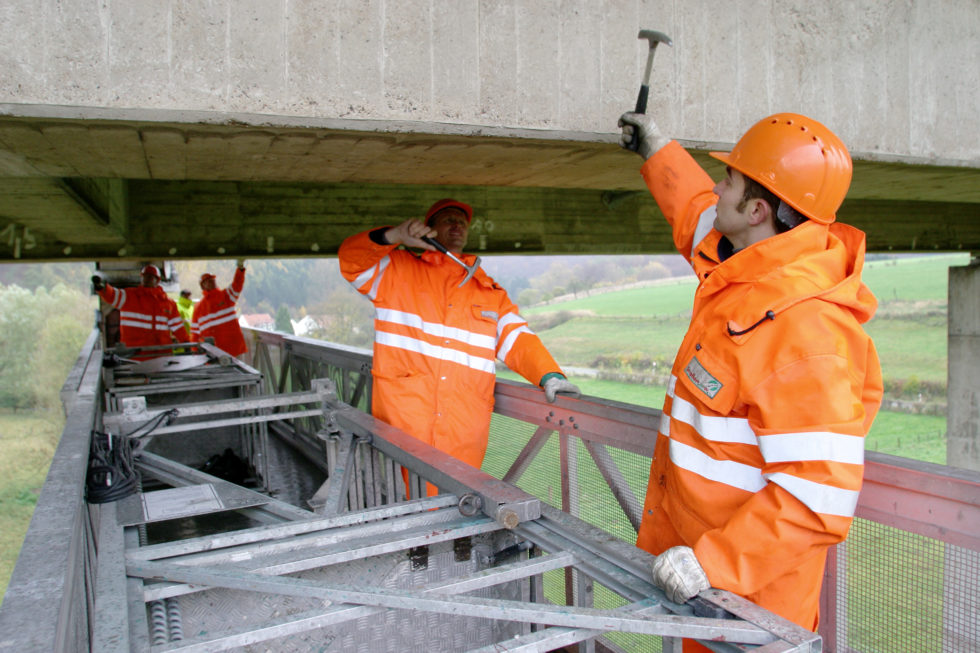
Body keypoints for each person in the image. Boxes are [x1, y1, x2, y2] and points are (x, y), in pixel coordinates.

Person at [617, 111, 882, 644]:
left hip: (750, 607)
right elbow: (696, 210)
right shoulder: (743, 264)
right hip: (706, 588)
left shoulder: (808, 333)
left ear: (758, 210)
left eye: (729, 180)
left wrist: (713, 565)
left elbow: (816, 494)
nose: (716, 187)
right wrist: (658, 150)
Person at [338, 198, 581, 494]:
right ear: (429, 229)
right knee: (400, 505)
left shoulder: (490, 293)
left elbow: (519, 340)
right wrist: (394, 236)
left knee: (456, 509)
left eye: (462, 222)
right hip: (401, 424)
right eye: (448, 219)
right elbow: (351, 262)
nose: (457, 225)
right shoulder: (396, 270)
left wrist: (550, 375)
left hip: (463, 429)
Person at [92, 264, 190, 355]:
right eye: (144, 276)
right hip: (134, 355)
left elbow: (178, 328)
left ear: (157, 280)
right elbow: (112, 295)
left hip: (161, 355)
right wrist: (101, 287)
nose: (146, 279)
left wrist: (187, 344)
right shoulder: (129, 296)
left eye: (150, 277)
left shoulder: (168, 303)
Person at [192, 260, 247, 357]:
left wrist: (240, 269)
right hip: (212, 353)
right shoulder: (198, 308)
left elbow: (237, 285)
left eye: (213, 280)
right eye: (208, 281)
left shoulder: (226, 296)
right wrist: (194, 351)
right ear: (203, 286)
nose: (212, 282)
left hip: (233, 350)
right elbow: (194, 333)